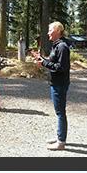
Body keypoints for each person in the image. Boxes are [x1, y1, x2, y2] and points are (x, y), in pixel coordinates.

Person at [30, 21, 72, 151]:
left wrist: (44, 64)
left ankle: (61, 142)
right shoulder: (57, 45)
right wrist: (41, 59)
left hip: (59, 84)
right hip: (56, 83)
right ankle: (60, 136)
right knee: (59, 112)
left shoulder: (62, 47)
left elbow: (61, 67)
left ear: (57, 31)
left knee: (60, 113)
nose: (48, 33)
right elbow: (52, 62)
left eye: (50, 30)